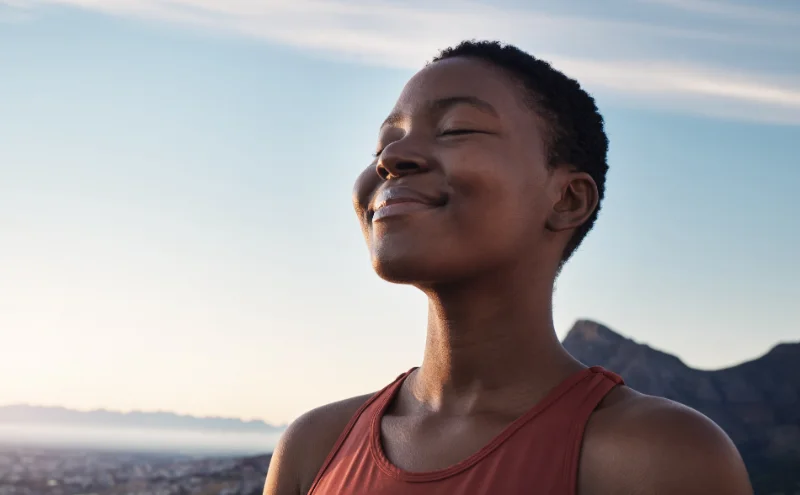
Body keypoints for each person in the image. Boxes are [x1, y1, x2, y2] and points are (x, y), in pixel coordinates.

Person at [263, 40, 753, 495]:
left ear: (566, 199)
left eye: (456, 129)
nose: (391, 158)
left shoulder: (659, 457)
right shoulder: (314, 446)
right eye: (384, 143)